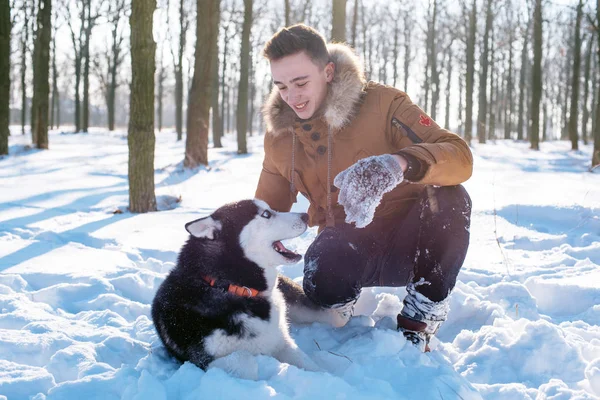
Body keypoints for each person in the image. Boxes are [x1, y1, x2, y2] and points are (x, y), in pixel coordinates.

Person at [255, 24, 473, 352]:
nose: (293, 97)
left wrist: (398, 164)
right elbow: (263, 215)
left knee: (451, 195)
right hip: (345, 247)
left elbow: (459, 156)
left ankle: (419, 318)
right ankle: (335, 310)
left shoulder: (384, 104)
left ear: (328, 72)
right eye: (282, 86)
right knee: (324, 271)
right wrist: (224, 262)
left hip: (413, 242)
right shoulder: (279, 139)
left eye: (301, 83)